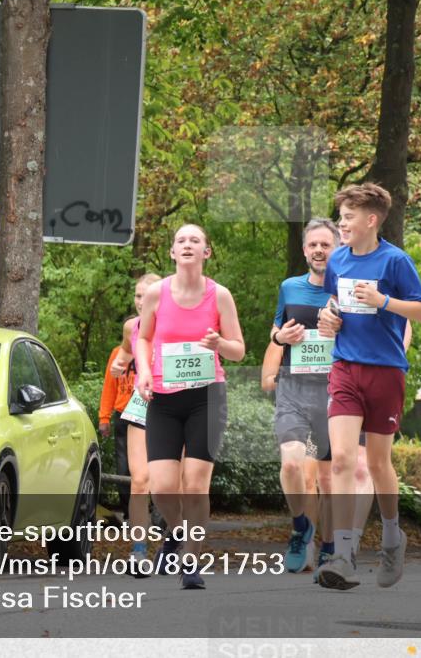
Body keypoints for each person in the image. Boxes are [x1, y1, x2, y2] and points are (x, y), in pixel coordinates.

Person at [315, 183, 421, 590]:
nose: (341, 224)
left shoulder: (395, 262)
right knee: (344, 460)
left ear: (371, 219)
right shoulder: (338, 260)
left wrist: (385, 302)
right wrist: (327, 317)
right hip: (345, 367)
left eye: (348, 217)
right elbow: (334, 303)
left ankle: (391, 536)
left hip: (385, 371)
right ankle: (343, 553)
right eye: (340, 217)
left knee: (380, 464)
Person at [135, 224, 244, 589]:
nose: (187, 245)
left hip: (206, 397)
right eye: (180, 240)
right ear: (172, 252)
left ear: (206, 252)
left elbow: (238, 350)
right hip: (164, 399)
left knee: (195, 485)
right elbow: (144, 337)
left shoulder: (220, 296)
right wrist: (144, 372)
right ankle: (179, 532)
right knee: (163, 487)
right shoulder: (156, 293)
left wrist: (218, 344)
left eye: (194, 240)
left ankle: (191, 562)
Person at [268, 218, 339, 573]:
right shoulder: (290, 287)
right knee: (293, 464)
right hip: (293, 391)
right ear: (305, 250)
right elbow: (275, 328)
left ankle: (328, 544)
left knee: (326, 480)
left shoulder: (348, 290)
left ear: (337, 248)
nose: (319, 250)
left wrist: (339, 329)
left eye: (325, 244)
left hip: (332, 394)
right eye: (313, 245)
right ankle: (300, 527)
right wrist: (281, 339)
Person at [110, 273, 160, 574]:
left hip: (174, 404)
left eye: (149, 295)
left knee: (172, 486)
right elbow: (124, 357)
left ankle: (174, 543)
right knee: (140, 480)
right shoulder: (132, 326)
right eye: (139, 296)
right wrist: (119, 366)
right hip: (142, 405)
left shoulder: (177, 321)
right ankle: (139, 551)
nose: (143, 301)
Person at [98, 345, 133, 517]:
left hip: (151, 415)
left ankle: (159, 516)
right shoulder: (117, 353)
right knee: (123, 466)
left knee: (154, 466)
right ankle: (128, 512)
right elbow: (110, 386)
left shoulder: (154, 350)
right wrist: (104, 418)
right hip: (124, 415)